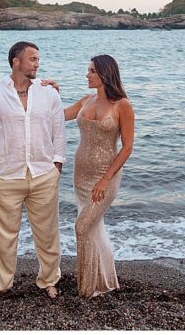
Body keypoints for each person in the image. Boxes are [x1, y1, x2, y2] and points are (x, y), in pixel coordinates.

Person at [0, 41, 66, 303]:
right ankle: (0, 285)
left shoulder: (49, 94)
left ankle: (49, 280)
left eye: (38, 59)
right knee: (4, 238)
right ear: (16, 61)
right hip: (7, 177)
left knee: (48, 235)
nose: (37, 64)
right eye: (33, 59)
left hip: (43, 174)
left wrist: (56, 167)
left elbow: (59, 133)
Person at [57, 55, 134, 298]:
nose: (87, 75)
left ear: (105, 74)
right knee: (94, 228)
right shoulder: (85, 101)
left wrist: (104, 179)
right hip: (80, 174)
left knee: (82, 227)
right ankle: (106, 281)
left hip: (105, 177)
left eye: (91, 71)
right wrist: (47, 91)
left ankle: (87, 288)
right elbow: (57, 115)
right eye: (87, 70)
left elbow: (128, 147)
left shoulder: (122, 105)